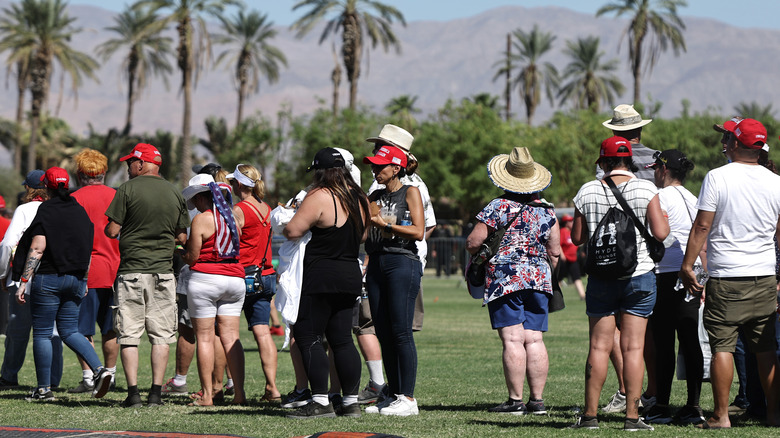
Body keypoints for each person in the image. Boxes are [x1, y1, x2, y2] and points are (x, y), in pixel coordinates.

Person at [681, 118, 780, 429]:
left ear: (736, 144)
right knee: (765, 349)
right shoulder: (776, 181)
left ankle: (721, 415)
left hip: (727, 276)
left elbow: (701, 226)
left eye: (728, 138)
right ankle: (775, 414)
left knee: (722, 345)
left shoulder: (717, 177)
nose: (725, 142)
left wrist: (687, 265)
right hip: (764, 276)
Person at [570, 136, 669, 430]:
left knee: (599, 347)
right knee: (634, 348)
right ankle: (632, 417)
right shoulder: (645, 187)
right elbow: (661, 233)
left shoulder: (587, 190)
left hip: (601, 278)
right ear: (631, 161)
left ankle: (589, 416)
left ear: (602, 162)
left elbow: (577, 238)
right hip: (639, 276)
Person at [466, 147, 560, 416]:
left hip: (506, 279)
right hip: (539, 279)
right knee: (534, 340)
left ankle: (515, 400)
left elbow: (473, 242)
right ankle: (537, 402)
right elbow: (555, 251)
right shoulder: (547, 211)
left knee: (512, 339)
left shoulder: (497, 207)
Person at [12, 167, 112, 401]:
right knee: (70, 331)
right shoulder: (79, 210)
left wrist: (23, 281)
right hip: (77, 279)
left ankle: (44, 390)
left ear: (46, 186)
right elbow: (88, 248)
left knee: (43, 334)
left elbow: (37, 247)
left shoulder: (46, 210)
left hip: (48, 279)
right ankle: (99, 370)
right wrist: (84, 280)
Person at [283, 147, 370, 418]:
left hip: (321, 275)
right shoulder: (360, 197)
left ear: (320, 171)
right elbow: (365, 236)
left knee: (308, 336)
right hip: (350, 274)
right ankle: (351, 401)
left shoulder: (319, 195)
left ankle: (320, 401)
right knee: (343, 339)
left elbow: (293, 230)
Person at [105, 143, 189, 408]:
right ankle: (155, 394)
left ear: (141, 164)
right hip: (164, 273)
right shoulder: (175, 192)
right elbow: (182, 236)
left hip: (131, 272)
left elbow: (111, 230)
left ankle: (133, 395)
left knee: (129, 334)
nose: (128, 168)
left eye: (130, 163)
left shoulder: (127, 189)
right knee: (161, 335)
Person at [599, 104, 659, 414]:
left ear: (613, 131)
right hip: (655, 253)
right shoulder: (657, 158)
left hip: (617, 256)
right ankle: (650, 392)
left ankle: (625, 390)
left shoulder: (607, 163)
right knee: (647, 330)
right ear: (640, 129)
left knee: (612, 330)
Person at [642, 149, 706, 425]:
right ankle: (693, 405)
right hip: (694, 273)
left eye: (656, 167)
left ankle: (662, 405)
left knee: (664, 341)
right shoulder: (694, 197)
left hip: (667, 273)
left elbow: (657, 233)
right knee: (691, 339)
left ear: (663, 170)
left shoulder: (660, 197)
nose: (654, 172)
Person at [363, 144, 425, 416]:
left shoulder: (410, 192)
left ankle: (408, 399)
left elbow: (419, 231)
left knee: (401, 331)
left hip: (402, 262)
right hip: (377, 262)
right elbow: (368, 229)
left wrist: (385, 226)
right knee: (384, 332)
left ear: (396, 168)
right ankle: (394, 394)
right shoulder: (374, 195)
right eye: (374, 165)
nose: (375, 170)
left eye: (380, 166)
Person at [180, 174, 246, 406]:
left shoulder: (201, 220)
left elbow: (193, 257)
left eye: (195, 200)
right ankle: (239, 394)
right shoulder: (235, 217)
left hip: (206, 279)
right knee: (231, 338)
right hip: (235, 279)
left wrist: (179, 251)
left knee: (205, 339)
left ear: (200, 197)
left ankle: (208, 395)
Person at [0, 170, 63, 390]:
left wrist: (2, 274)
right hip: (54, 276)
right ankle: (53, 380)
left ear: (29, 188)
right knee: (52, 331)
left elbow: (8, 243)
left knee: (18, 330)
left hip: (24, 278)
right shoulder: (59, 208)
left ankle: (9, 376)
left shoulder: (25, 209)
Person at [68, 149, 121, 394]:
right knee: (110, 329)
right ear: (104, 172)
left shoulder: (74, 199)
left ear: (80, 175)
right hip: (116, 270)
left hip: (86, 272)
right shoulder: (118, 196)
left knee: (81, 329)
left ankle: (89, 377)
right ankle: (110, 374)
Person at [228, 163, 281, 402]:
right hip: (266, 274)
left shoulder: (239, 209)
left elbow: (232, 243)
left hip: (243, 275)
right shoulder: (266, 208)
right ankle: (272, 388)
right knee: (262, 331)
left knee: (227, 332)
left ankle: (234, 389)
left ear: (239, 184)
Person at [558, 214, 586, 300]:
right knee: (558, 278)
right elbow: (558, 244)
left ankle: (583, 296)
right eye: (570, 221)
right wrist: (562, 255)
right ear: (565, 223)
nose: (572, 222)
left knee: (577, 277)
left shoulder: (572, 231)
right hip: (564, 259)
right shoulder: (563, 231)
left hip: (573, 259)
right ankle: (555, 297)